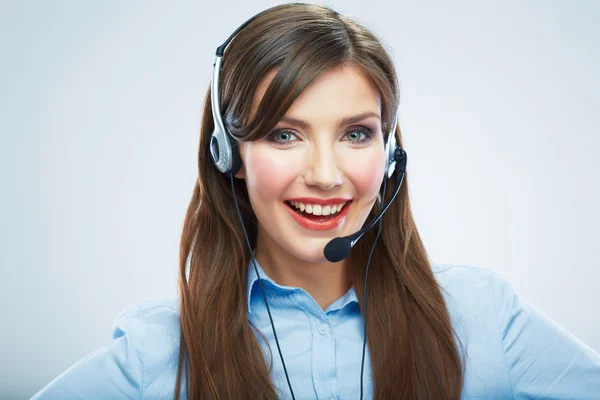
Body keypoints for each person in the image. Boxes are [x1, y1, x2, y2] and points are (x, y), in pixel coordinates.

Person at [31, 3, 600, 400]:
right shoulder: (161, 353)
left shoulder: (480, 318)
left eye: (356, 133)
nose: (326, 176)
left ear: (390, 152)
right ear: (231, 155)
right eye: (284, 134)